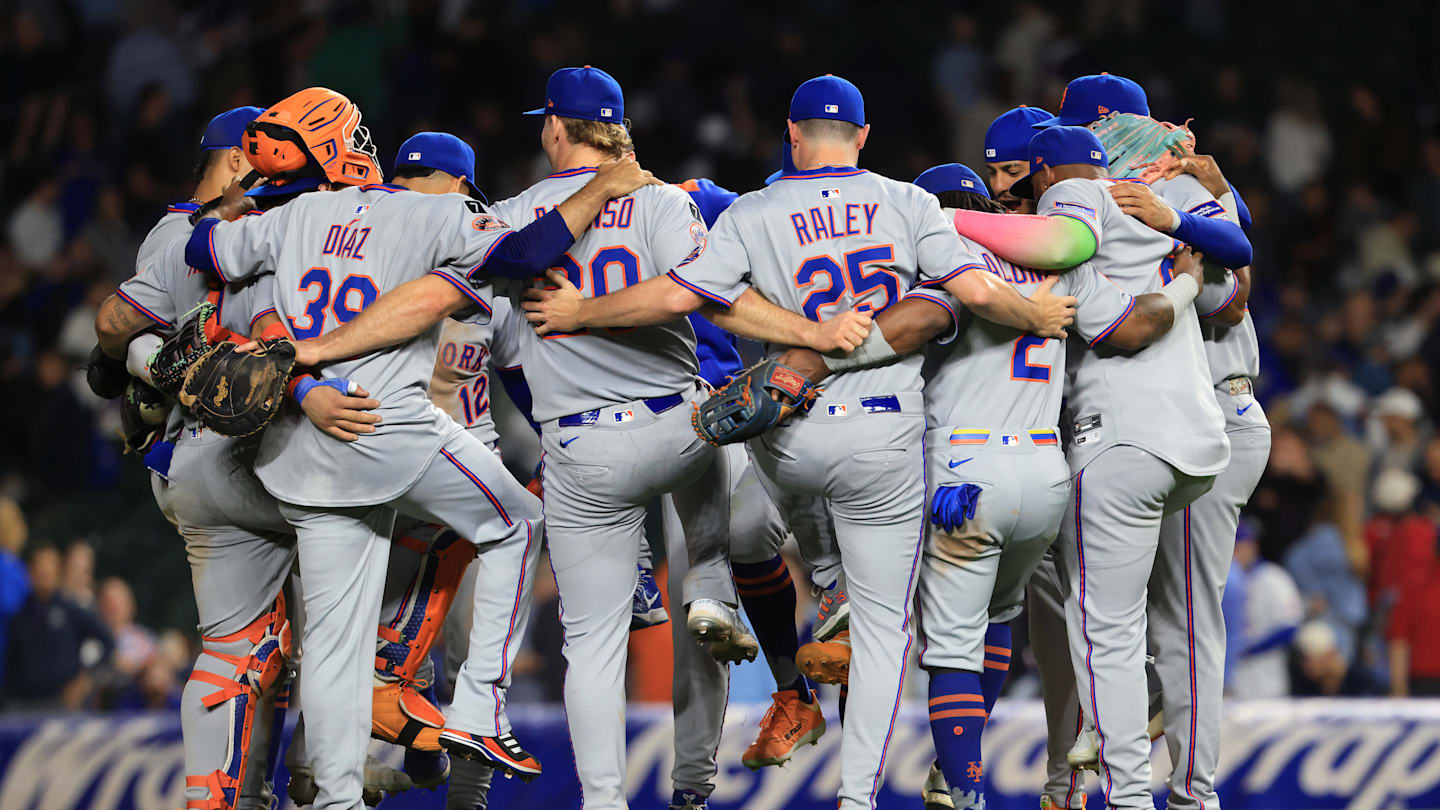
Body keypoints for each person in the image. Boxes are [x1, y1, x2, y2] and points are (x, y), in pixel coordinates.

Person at [521, 74, 1075, 809]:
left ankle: (789, 661)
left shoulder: (753, 209)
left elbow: (682, 296)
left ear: (791, 134)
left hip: (790, 433)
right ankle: (856, 794)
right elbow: (973, 294)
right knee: (884, 633)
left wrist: (584, 311)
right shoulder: (907, 201)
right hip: (883, 435)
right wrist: (1032, 316)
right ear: (864, 138)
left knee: (748, 529)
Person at [182, 86, 654, 808]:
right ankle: (478, 712)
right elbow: (528, 251)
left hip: (302, 451)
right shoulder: (440, 213)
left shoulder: (294, 215)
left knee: (336, 657)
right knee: (519, 523)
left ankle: (337, 798)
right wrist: (604, 187)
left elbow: (200, 246)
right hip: (387, 427)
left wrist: (243, 198)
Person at [774, 161, 1203, 810]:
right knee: (999, 616)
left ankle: (961, 787)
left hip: (966, 481)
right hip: (1044, 474)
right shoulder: (1059, 263)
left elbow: (911, 327)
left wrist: (820, 357)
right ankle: (953, 769)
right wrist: (1189, 284)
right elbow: (1135, 325)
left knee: (946, 646)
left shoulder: (945, 266)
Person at [953, 125, 1229, 809]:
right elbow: (1232, 278)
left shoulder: (1057, 231)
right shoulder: (1159, 217)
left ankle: (1127, 796)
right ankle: (1174, 767)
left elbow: (1127, 329)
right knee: (1165, 616)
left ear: (1047, 178)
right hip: (1198, 441)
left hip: (1110, 444)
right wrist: (1192, 278)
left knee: (1100, 625)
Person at [92, 104, 300, 810]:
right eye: (270, 151)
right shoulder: (188, 229)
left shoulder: (222, 226)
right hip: (237, 455)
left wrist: (155, 367)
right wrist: (169, 371)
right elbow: (116, 337)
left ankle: (234, 798)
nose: (284, 163)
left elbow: (120, 340)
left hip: (199, 466)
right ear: (240, 160)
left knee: (233, 652)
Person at [5, 546, 114, 709]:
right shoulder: (18, 616)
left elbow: (108, 642)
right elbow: (11, 662)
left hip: (62, 705)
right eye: (38, 568)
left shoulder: (71, 610)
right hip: (23, 705)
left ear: (57, 572)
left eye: (48, 568)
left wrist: (86, 680)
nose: (43, 573)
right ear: (30, 572)